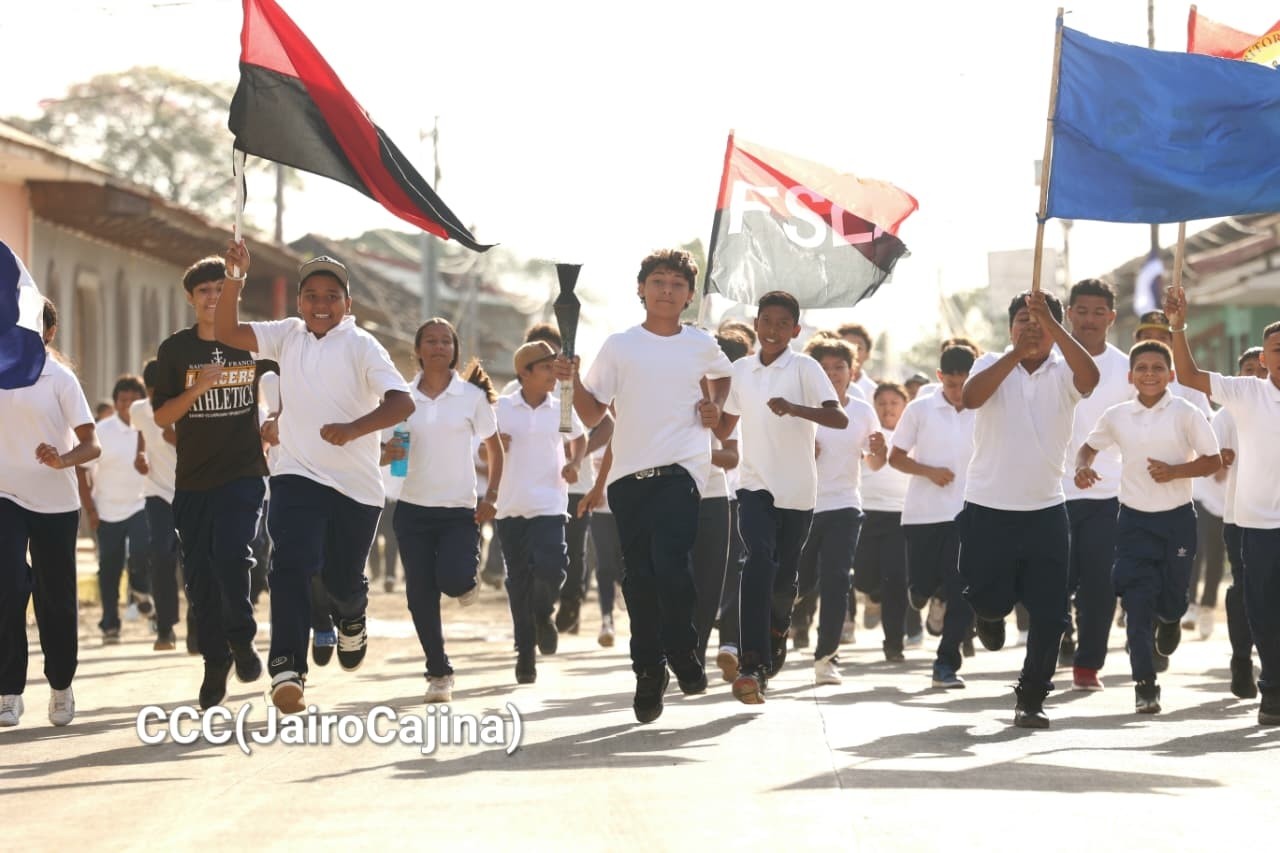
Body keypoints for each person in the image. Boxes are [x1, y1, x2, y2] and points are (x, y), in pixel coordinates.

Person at [213, 246, 414, 713]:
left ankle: (351, 614)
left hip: (355, 487)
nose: (320, 303)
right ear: (299, 302)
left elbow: (401, 403)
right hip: (296, 475)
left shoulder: (362, 344)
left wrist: (354, 430)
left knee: (341, 581)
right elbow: (226, 330)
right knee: (289, 566)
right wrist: (234, 278)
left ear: (347, 303)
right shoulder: (286, 336)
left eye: (331, 295)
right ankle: (286, 668)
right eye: (311, 295)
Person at [557, 248, 733, 723]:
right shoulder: (619, 346)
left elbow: (728, 383)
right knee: (639, 581)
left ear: (690, 296)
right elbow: (595, 414)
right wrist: (571, 382)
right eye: (658, 281)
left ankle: (682, 651)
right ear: (641, 289)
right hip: (628, 476)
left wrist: (715, 412)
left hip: (683, 472)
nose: (667, 290)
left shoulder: (701, 344)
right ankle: (649, 672)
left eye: (677, 284)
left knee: (670, 565)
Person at [959, 290, 1100, 729]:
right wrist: (1016, 353)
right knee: (987, 595)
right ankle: (988, 612)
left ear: (1057, 330)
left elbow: (1090, 376)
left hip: (1045, 510)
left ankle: (1032, 696)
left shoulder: (1064, 372)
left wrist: (1052, 327)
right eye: (1023, 320)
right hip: (988, 507)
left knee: (1051, 612)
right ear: (1009, 327)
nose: (1031, 328)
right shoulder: (989, 364)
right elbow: (971, 398)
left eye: (1040, 322)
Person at [1074, 340, 1220, 713]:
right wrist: (1083, 466)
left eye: (1157, 368)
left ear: (1170, 375)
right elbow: (1088, 447)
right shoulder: (1118, 415)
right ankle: (1145, 684)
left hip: (1176, 521)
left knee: (1171, 601)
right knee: (1137, 605)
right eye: (1142, 368)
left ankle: (1171, 619)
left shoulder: (1186, 413)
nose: (1150, 374)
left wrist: (1175, 471)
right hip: (1134, 523)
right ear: (1130, 376)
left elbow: (1213, 460)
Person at [717, 291, 847, 704]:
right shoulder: (741, 370)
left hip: (797, 493)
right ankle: (752, 662)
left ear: (794, 330)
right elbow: (724, 428)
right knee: (756, 561)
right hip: (754, 486)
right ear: (756, 324)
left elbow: (838, 417)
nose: (772, 330)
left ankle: (777, 631)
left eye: (781, 323)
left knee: (783, 581)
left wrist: (795, 409)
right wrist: (707, 412)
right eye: (765, 320)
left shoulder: (805, 367)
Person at [153, 251, 270, 709]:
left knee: (231, 556)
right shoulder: (175, 350)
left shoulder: (252, 342)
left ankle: (242, 638)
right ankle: (215, 661)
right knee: (199, 577)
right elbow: (164, 415)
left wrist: (276, 419)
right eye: (205, 291)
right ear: (190, 298)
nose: (213, 297)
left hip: (242, 473)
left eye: (221, 290)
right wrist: (199, 387)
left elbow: (283, 390)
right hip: (193, 481)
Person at [1165, 286, 1280, 725]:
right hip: (1256, 524)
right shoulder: (1245, 392)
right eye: (1276, 348)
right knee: (1262, 608)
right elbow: (1191, 375)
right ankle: (1271, 689)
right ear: (1264, 357)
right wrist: (1178, 326)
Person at [391, 318, 503, 702]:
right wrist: (388, 458)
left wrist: (492, 497)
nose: (439, 347)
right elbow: (392, 452)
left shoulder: (471, 397)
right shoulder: (401, 398)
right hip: (412, 509)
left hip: (458, 510)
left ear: (454, 349)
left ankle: (465, 580)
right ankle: (439, 673)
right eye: (430, 341)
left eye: (445, 341)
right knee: (419, 595)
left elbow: (494, 448)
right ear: (418, 350)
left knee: (454, 581)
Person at [0, 297, 99, 728]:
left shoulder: (58, 378)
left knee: (54, 597)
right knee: (6, 588)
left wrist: (63, 459)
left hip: (56, 502)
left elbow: (91, 443)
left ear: (48, 333)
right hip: (5, 494)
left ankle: (61, 685)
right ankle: (7, 691)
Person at [1057, 279, 1133, 691]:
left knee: (1099, 585)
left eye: (1098, 312)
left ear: (1111, 317)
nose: (1089, 319)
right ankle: (1059, 632)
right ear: (1068, 313)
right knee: (1052, 581)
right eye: (1081, 311)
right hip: (1051, 492)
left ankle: (1088, 666)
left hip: (1108, 494)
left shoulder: (1126, 368)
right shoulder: (1049, 360)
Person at [496, 340, 585, 684]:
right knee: (518, 583)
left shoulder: (561, 405)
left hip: (549, 503)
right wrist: (495, 449)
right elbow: (479, 452)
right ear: (524, 373)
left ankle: (544, 613)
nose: (554, 374)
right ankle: (525, 656)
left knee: (552, 566)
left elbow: (578, 437)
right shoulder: (501, 407)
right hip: (510, 506)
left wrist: (575, 462)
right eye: (546, 367)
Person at [890, 344, 978, 689]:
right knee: (923, 583)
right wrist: (928, 471)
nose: (958, 392)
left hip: (970, 514)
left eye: (965, 383)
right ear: (940, 377)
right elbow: (895, 457)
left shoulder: (986, 408)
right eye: (952, 384)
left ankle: (945, 663)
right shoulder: (921, 409)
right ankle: (925, 593)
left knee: (963, 590)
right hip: (923, 515)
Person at [795, 336, 880, 686]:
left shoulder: (861, 410)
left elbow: (874, 462)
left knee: (837, 579)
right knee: (798, 583)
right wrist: (801, 454)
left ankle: (826, 657)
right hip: (801, 506)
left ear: (852, 370)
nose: (832, 374)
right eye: (824, 368)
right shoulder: (798, 409)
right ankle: (774, 634)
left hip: (844, 505)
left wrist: (879, 450)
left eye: (839, 367)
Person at [77, 374, 152, 643]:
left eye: (134, 399)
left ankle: (142, 589)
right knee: (109, 568)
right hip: (107, 509)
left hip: (142, 504)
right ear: (116, 401)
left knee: (143, 552)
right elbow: (82, 471)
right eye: (123, 400)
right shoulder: (102, 430)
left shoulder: (152, 426)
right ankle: (110, 622)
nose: (128, 404)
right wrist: (91, 510)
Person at [856, 383, 917, 661]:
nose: (888, 408)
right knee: (865, 578)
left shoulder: (913, 437)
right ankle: (873, 594)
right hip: (866, 513)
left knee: (897, 580)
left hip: (900, 516)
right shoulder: (867, 436)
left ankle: (894, 643)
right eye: (882, 402)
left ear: (904, 406)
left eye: (894, 402)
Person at [132, 359, 183, 651]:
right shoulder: (140, 410)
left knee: (194, 562)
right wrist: (140, 455)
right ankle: (165, 629)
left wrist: (178, 439)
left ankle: (199, 628)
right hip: (157, 493)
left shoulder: (187, 408)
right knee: (162, 554)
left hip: (190, 491)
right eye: (151, 392)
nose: (155, 399)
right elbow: (142, 433)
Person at [837, 322, 877, 401]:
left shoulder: (874, 392)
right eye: (847, 346)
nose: (853, 352)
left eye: (859, 348)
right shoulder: (825, 386)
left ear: (867, 354)